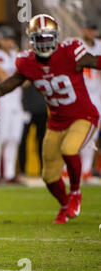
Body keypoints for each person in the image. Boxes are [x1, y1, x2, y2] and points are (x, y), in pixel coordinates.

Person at [0, 14, 101, 224]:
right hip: (56, 122)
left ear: (56, 38)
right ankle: (64, 204)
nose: (44, 43)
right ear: (32, 41)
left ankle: (75, 192)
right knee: (48, 176)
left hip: (83, 116)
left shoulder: (70, 51)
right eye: (39, 38)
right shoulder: (27, 62)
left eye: (48, 38)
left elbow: (96, 62)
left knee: (69, 149)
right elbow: (3, 87)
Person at [0, 26, 25, 184]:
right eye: (5, 39)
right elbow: (2, 78)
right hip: (1, 99)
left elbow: (27, 80)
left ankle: (9, 174)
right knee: (0, 136)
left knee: (14, 138)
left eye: (10, 39)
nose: (8, 42)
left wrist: (17, 78)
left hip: (16, 100)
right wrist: (19, 78)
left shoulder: (16, 54)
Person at [79, 19, 101, 182]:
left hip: (96, 95)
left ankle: (86, 169)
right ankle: (67, 169)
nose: (90, 32)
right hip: (79, 95)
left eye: (93, 29)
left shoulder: (99, 45)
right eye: (88, 29)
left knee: (92, 135)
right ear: (83, 29)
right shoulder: (75, 45)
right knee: (75, 133)